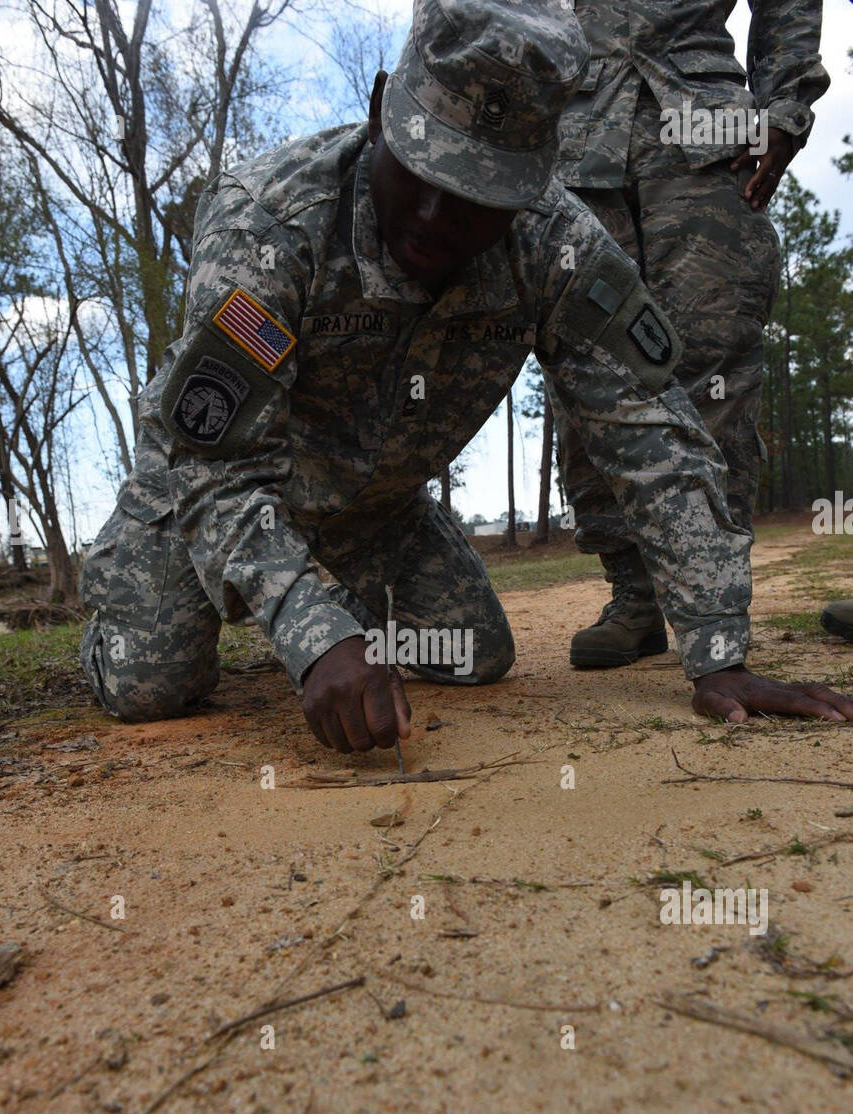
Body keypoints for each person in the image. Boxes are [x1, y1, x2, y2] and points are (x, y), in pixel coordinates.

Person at [79, 0, 853, 752]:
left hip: (371, 511)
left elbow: (651, 435)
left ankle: (331, 594)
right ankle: (154, 578)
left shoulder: (555, 246)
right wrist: (317, 638)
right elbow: (217, 468)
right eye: (420, 175)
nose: (432, 221)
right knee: (150, 686)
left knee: (473, 654)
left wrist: (718, 654)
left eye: (478, 200)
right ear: (382, 104)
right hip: (209, 495)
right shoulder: (269, 226)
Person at [555, 0, 830, 669]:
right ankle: (634, 597)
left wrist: (785, 106)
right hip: (577, 147)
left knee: (715, 363)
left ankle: (715, 596)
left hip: (708, 137)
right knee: (585, 366)